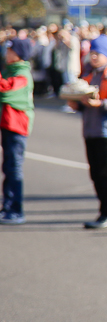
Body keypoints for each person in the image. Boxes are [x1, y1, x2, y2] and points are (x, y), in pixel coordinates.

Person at [70, 35, 107, 230]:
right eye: (92, 53)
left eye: (98, 53)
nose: (93, 57)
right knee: (95, 174)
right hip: (90, 131)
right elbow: (82, 103)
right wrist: (76, 104)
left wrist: (100, 104)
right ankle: (103, 212)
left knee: (105, 174)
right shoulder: (88, 75)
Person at [0, 39, 35, 225]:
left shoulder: (22, 74)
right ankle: (7, 206)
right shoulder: (10, 70)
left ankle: (16, 210)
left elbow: (5, 91)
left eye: (9, 50)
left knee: (14, 168)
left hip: (17, 126)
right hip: (7, 124)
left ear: (18, 54)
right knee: (7, 167)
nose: (6, 53)